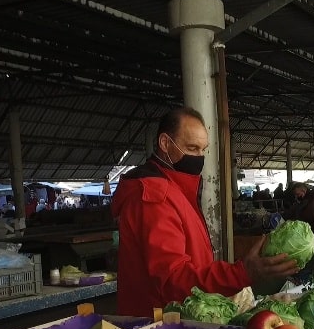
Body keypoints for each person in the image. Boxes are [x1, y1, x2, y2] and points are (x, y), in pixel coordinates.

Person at [112, 107, 299, 317]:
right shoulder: (154, 198)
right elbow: (173, 278)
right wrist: (240, 274)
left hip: (182, 315)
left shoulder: (176, 189)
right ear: (165, 143)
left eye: (203, 149)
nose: (199, 157)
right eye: (192, 148)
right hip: (158, 325)